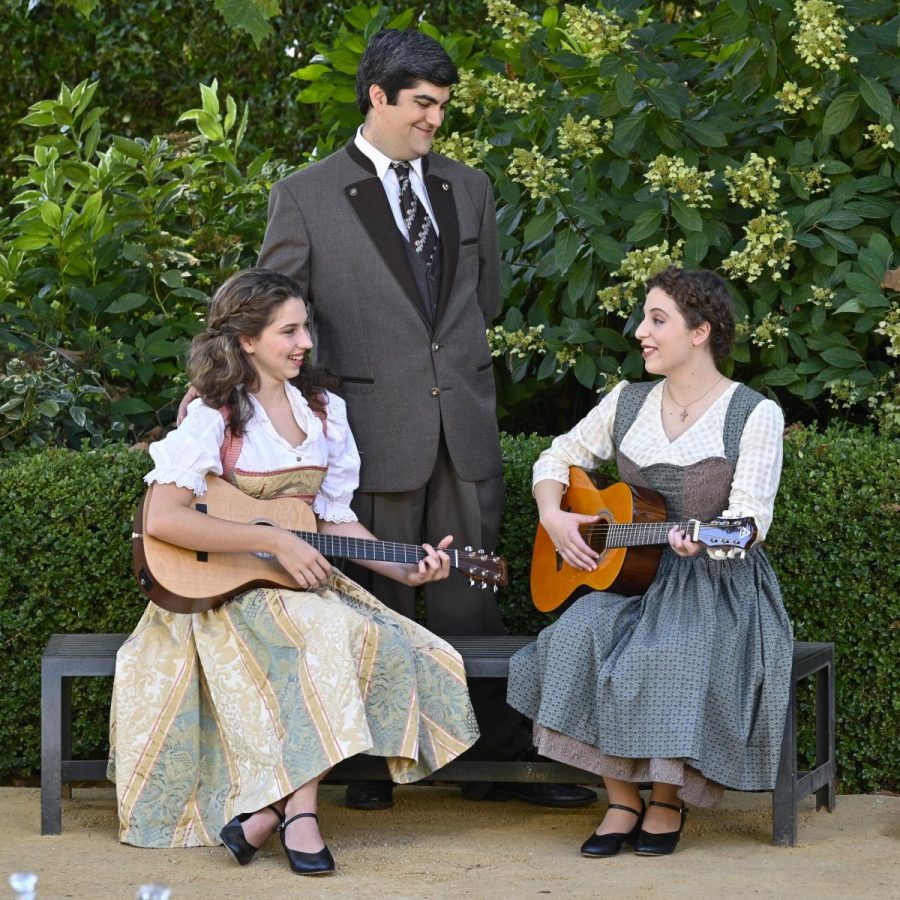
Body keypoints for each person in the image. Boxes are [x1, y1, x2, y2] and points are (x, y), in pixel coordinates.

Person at [252, 27, 596, 811]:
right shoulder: (304, 193)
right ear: (377, 96)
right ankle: (372, 762)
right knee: (380, 596)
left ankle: (487, 763)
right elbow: (270, 313)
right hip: (368, 429)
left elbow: (485, 297)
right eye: (422, 104)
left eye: (442, 105)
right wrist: (226, 391)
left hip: (464, 424)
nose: (435, 120)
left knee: (471, 595)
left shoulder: (467, 186)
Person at [110, 268, 480, 875]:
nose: (304, 341)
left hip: (298, 583)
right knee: (331, 636)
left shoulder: (324, 410)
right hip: (226, 593)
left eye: (304, 326)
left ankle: (269, 815)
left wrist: (403, 563)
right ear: (247, 341)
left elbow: (331, 521)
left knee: (392, 643)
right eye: (289, 330)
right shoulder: (214, 414)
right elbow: (166, 520)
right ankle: (300, 815)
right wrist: (274, 539)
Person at [507, 267, 793, 856]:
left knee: (671, 652)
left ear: (700, 332)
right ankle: (621, 798)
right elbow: (556, 457)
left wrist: (706, 540)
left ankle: (667, 798)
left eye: (657, 320)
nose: (641, 331)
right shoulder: (627, 401)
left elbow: (749, 523)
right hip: (637, 578)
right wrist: (552, 516)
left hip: (716, 583)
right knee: (575, 634)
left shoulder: (752, 412)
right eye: (644, 318)